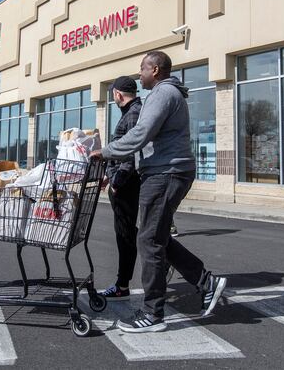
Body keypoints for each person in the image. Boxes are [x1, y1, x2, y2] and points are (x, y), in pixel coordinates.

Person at [91, 51, 226, 333]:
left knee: (149, 240)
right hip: (166, 171)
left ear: (155, 69)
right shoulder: (166, 94)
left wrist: (104, 152)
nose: (139, 76)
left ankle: (153, 314)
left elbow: (141, 134)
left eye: (142, 69)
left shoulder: (163, 94)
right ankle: (206, 282)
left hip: (166, 172)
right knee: (157, 236)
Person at [99, 76, 143, 301]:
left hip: (126, 185)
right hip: (122, 182)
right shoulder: (131, 112)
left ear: (117, 94)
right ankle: (163, 261)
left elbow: (132, 152)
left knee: (126, 235)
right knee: (128, 234)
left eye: (113, 94)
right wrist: (110, 176)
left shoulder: (134, 113)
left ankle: (122, 285)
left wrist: (117, 181)